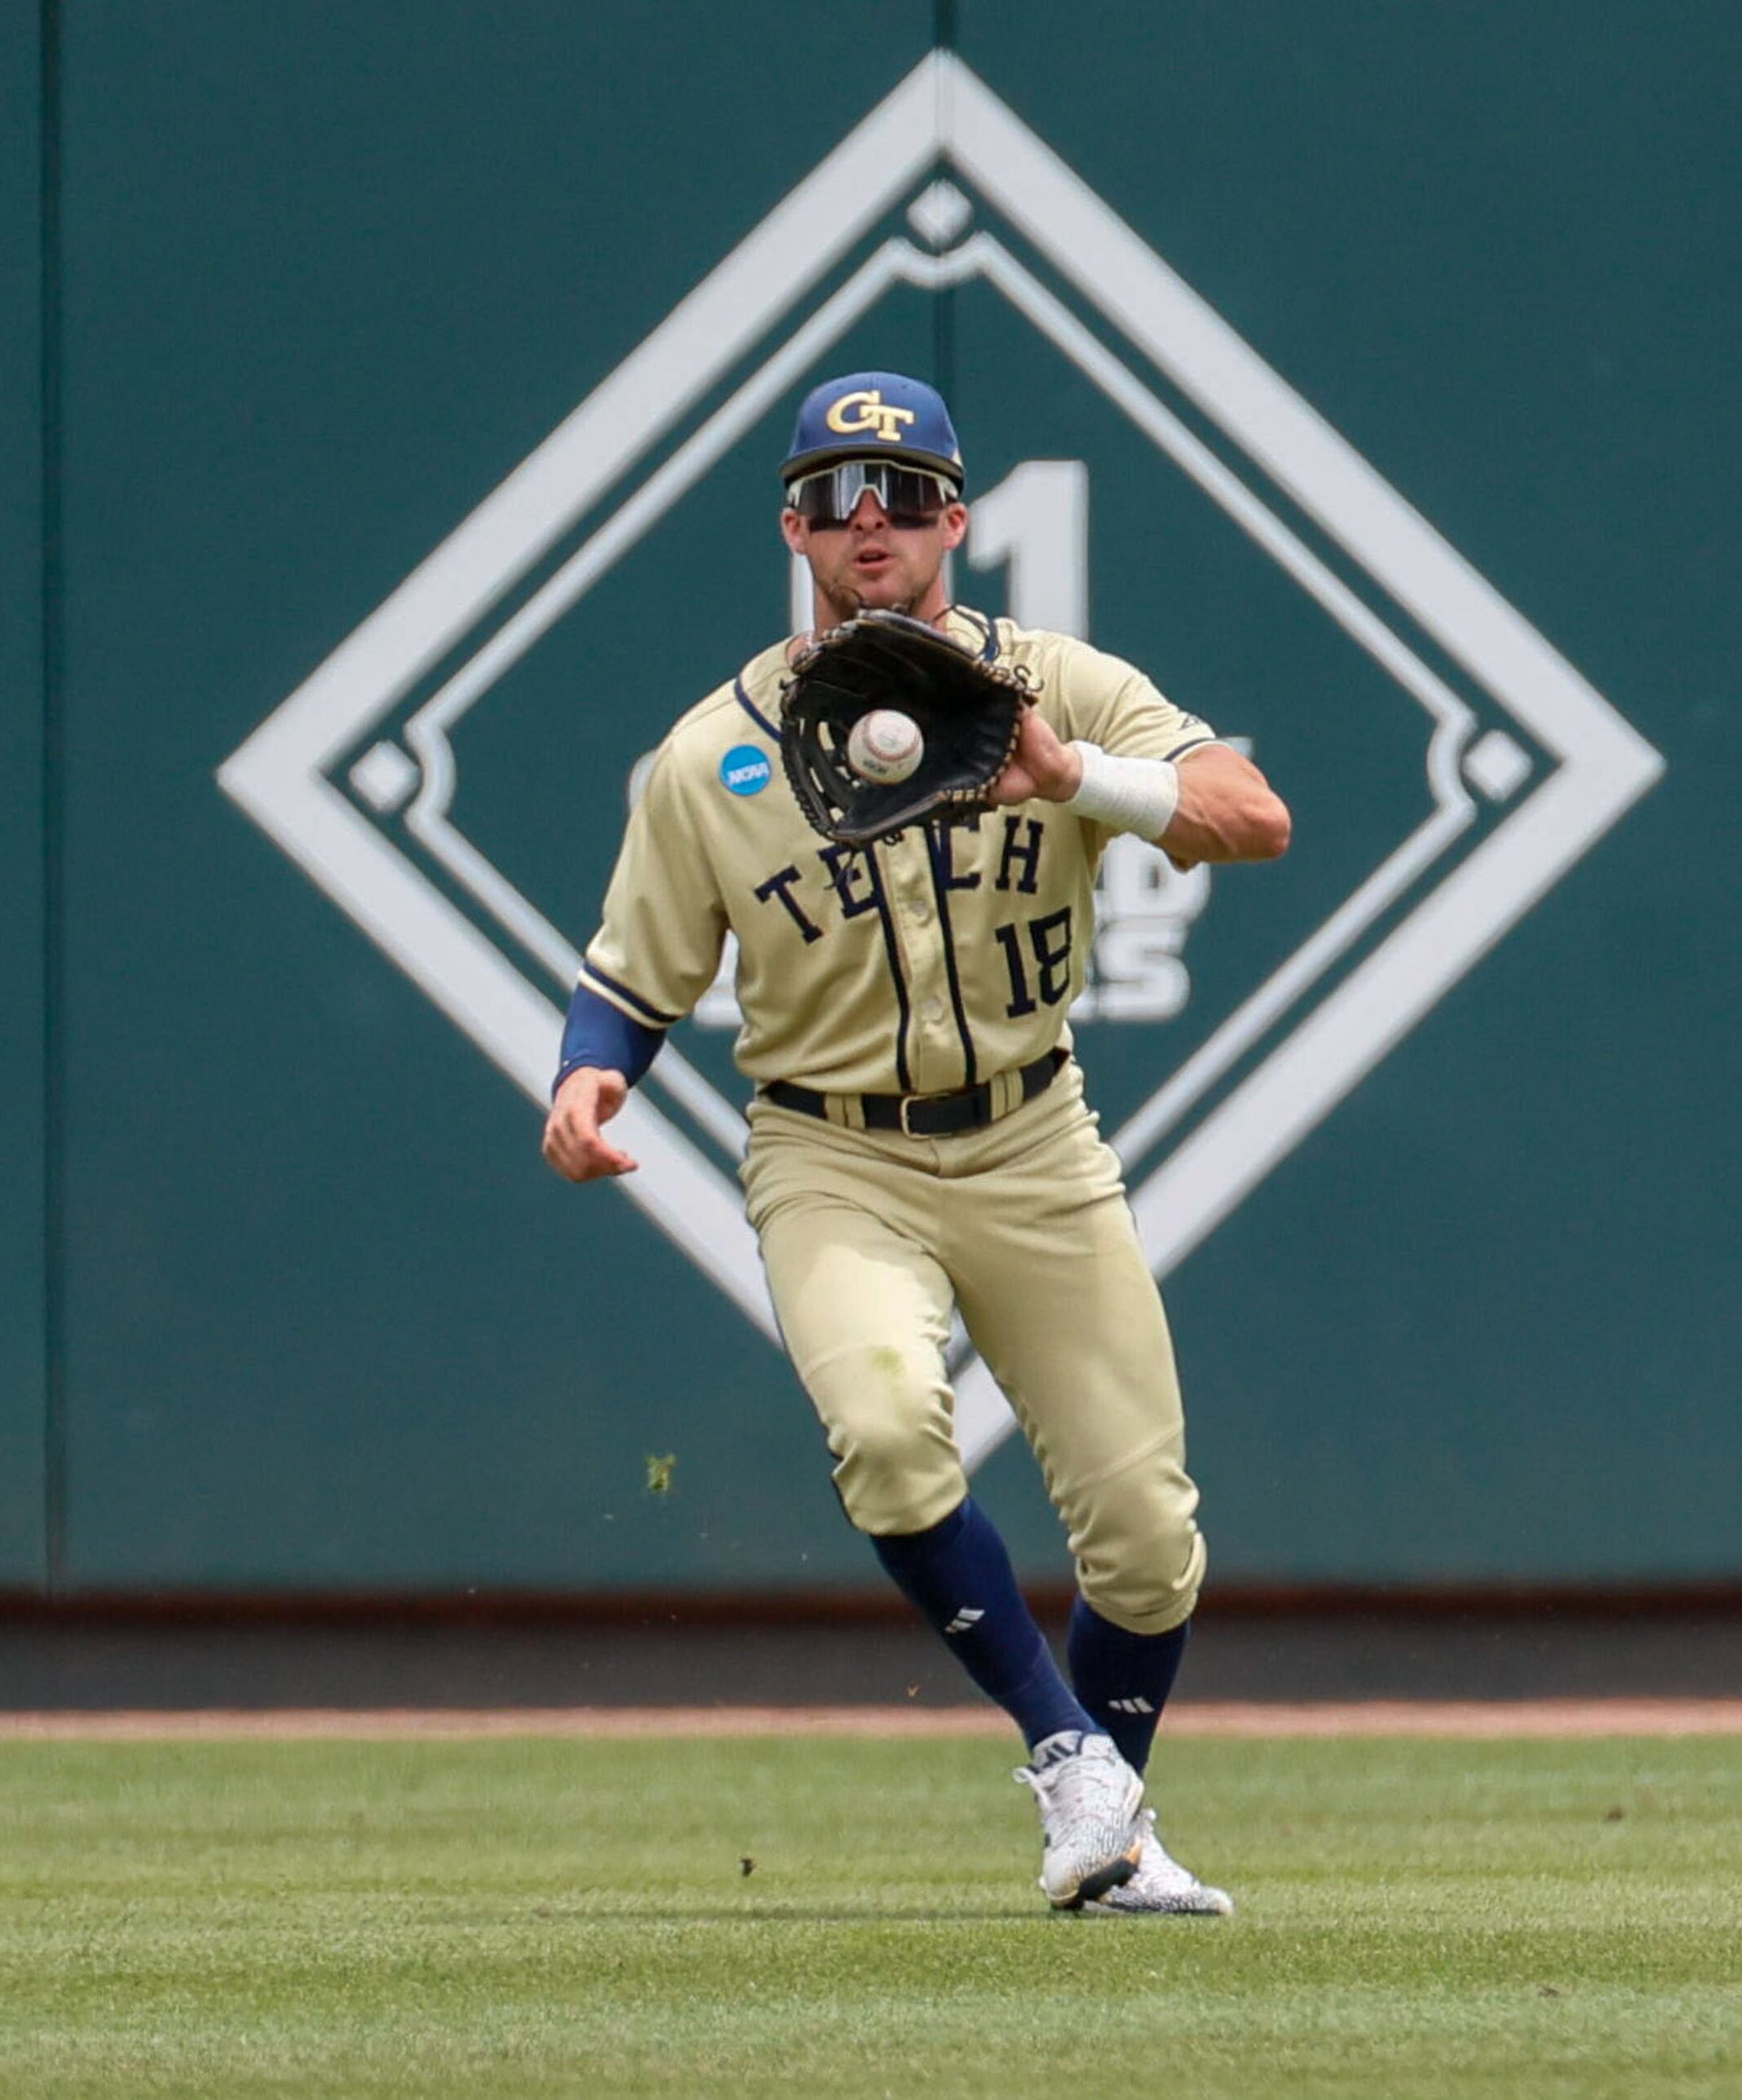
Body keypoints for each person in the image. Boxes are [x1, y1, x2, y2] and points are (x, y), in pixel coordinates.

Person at [542, 371, 1289, 1912]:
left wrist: (1073, 774)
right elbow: (632, 977)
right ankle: (1073, 1764)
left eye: (897, 490)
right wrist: (587, 1078)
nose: (863, 517)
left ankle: (1109, 1824)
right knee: (888, 1433)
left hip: (1034, 1135)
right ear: (792, 527)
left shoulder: (1054, 687)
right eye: (830, 491)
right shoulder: (712, 755)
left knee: (1149, 1539)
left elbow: (1251, 813)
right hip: (834, 1154)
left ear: (958, 516)